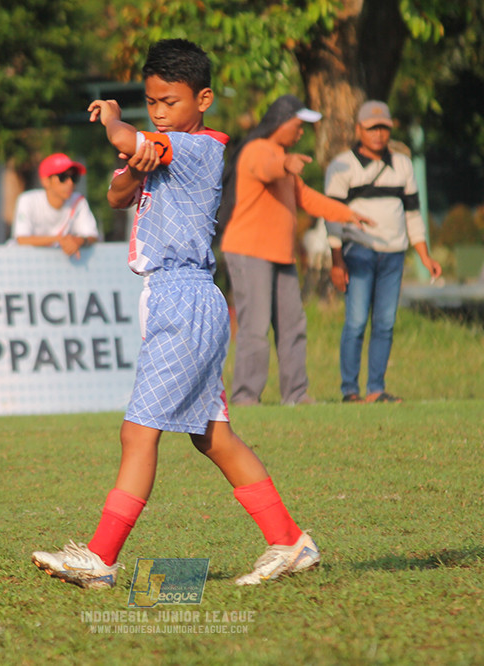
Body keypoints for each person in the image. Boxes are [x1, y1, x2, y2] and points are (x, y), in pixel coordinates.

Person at [31, 39, 319, 589]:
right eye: (151, 102)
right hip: (180, 299)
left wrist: (115, 120)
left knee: (137, 434)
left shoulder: (198, 147)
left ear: (203, 100)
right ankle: (289, 541)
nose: (158, 112)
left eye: (169, 101)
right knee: (213, 436)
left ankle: (100, 558)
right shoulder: (164, 147)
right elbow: (117, 196)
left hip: (182, 298)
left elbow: (124, 139)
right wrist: (134, 164)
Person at [217, 95, 370, 407]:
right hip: (249, 252)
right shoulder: (256, 150)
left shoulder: (282, 155)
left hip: (281, 255)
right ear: (281, 122)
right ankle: (246, 396)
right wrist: (285, 164)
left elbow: (307, 197)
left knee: (293, 326)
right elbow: (266, 169)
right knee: (255, 327)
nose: (301, 133)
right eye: (298, 126)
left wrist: (346, 213)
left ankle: (296, 394)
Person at [325, 100, 442, 404]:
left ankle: (376, 388)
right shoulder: (343, 166)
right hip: (359, 251)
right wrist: (337, 260)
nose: (378, 134)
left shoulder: (402, 165)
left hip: (394, 253)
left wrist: (424, 255)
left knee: (385, 323)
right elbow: (332, 217)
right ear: (358, 130)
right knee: (356, 321)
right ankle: (350, 390)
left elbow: (413, 213)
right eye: (372, 128)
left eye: (384, 128)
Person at [12, 152, 99, 259]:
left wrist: (79, 241)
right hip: (26, 261)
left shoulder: (78, 201)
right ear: (45, 181)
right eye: (63, 177)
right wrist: (61, 240)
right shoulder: (27, 200)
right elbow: (22, 239)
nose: (70, 183)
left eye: (74, 177)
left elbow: (93, 236)